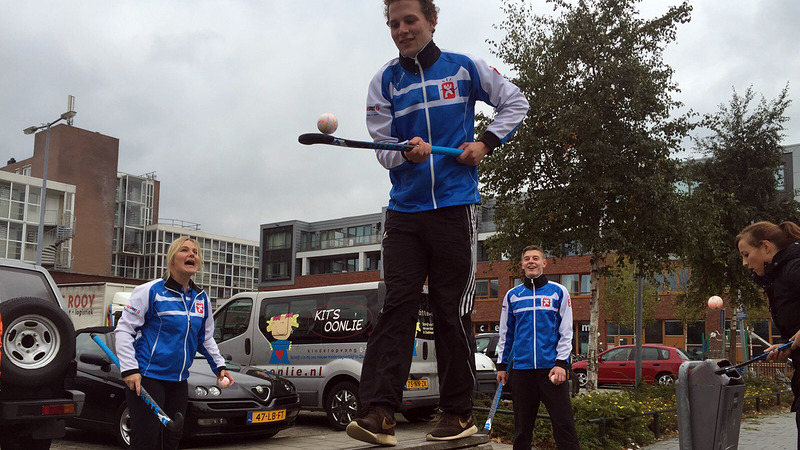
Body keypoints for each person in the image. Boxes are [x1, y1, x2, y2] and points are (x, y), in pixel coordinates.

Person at [346, 0, 529, 446]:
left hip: (454, 208)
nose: (402, 30)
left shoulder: (465, 69)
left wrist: (484, 144)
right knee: (397, 306)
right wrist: (404, 151)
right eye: (394, 23)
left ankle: (457, 414)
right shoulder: (384, 80)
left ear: (431, 20)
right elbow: (383, 149)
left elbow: (515, 102)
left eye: (410, 20)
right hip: (405, 213)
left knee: (451, 310)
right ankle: (380, 413)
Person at [115, 237, 233, 450]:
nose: (192, 255)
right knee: (146, 441)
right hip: (148, 378)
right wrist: (130, 369)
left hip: (178, 380)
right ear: (171, 260)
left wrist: (220, 366)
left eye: (195, 252)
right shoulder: (151, 291)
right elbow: (124, 330)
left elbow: (204, 338)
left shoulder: (201, 298)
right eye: (185, 250)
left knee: (171, 441)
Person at [496, 245, 580, 450]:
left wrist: (562, 364)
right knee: (522, 430)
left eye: (535, 258)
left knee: (564, 424)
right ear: (522, 264)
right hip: (522, 371)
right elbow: (506, 334)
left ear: (544, 263)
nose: (530, 262)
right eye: (526, 259)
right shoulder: (512, 296)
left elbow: (566, 331)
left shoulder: (558, 292)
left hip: (551, 370)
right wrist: (501, 365)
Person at [736, 220, 800, 447]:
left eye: (746, 254)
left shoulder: (793, 267)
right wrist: (787, 345)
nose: (744, 263)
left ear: (765, 247)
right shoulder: (779, 277)